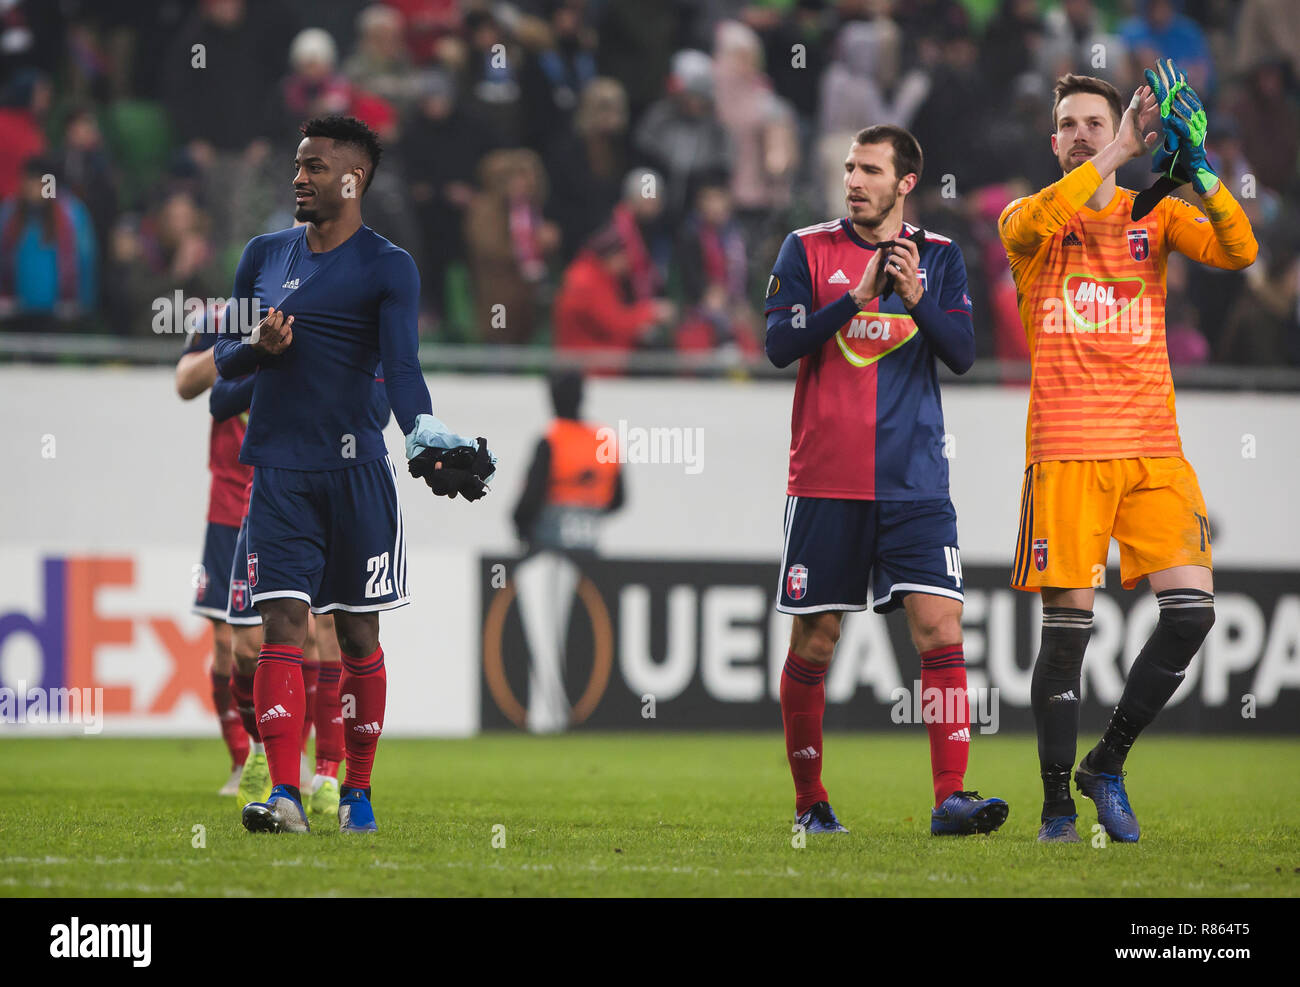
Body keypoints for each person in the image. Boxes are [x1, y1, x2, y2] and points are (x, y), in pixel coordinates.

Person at [212, 114, 494, 834]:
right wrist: (258, 344)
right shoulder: (263, 254)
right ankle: (283, 793)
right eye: (297, 164)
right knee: (283, 622)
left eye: (313, 166)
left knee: (358, 635)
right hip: (278, 468)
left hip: (357, 475)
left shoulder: (389, 264)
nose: (298, 177)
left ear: (353, 178)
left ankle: (358, 794)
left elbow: (402, 368)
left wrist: (424, 433)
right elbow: (224, 365)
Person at [998, 71, 1256, 844]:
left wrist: (1201, 166)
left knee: (1193, 614)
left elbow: (1240, 249)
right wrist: (1113, 154)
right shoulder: (1030, 222)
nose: (1080, 132)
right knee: (1066, 639)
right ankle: (1054, 806)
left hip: (1153, 449)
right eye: (1069, 125)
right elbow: (1038, 215)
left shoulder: (1160, 217)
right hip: (1068, 449)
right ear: (1055, 142)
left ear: (1124, 127)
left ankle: (1106, 761)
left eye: (1095, 121)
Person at [764, 124, 1007, 837]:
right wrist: (857, 298)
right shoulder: (805, 248)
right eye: (849, 168)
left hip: (916, 482)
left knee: (940, 626)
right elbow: (780, 343)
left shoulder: (939, 256)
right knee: (815, 642)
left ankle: (950, 798)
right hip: (827, 480)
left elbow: (962, 352)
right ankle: (811, 804)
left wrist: (916, 296)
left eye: (870, 169)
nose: (854, 180)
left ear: (906, 182)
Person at [510, 370, 624, 732]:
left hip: (547, 552)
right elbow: (619, 498)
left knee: (546, 634)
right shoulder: (604, 440)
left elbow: (527, 504)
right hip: (590, 551)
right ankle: (570, 713)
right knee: (578, 636)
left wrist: (520, 529)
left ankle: (549, 715)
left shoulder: (551, 440)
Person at [175, 321, 253, 796]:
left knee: (302, 633)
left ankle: (298, 757)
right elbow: (185, 384)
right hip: (227, 509)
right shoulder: (218, 321)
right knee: (226, 641)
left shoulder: (308, 310)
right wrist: (242, 347)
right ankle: (242, 760)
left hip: (288, 498)